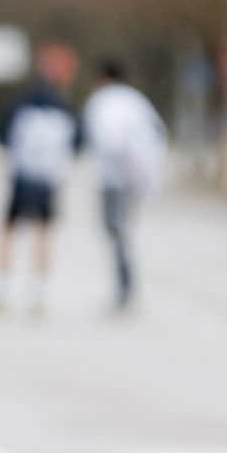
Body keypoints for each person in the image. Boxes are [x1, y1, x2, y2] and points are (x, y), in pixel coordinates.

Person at [0, 41, 81, 316]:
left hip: (22, 175)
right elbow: (77, 143)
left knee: (8, 231)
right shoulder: (66, 107)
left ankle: (1, 289)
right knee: (43, 232)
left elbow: (2, 133)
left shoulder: (22, 102)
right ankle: (38, 293)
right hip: (48, 179)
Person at [82, 58, 167, 310]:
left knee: (115, 230)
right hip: (138, 177)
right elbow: (157, 132)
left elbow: (111, 141)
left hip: (115, 176)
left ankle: (125, 287)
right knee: (122, 230)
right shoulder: (136, 100)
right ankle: (125, 285)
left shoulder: (102, 102)